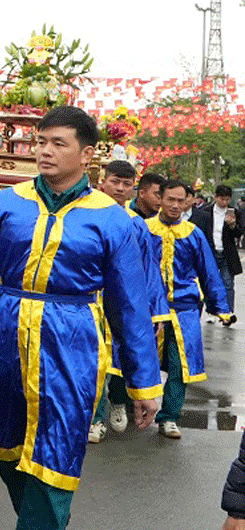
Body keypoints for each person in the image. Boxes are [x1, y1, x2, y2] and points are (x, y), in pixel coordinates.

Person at [0, 106, 161, 530]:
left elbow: (129, 305)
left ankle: (45, 519)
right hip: (3, 336)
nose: (45, 151)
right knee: (5, 447)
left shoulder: (113, 219)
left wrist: (142, 383)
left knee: (56, 451)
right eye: (41, 142)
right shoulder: (8, 203)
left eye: (59, 143)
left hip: (71, 342)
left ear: (86, 153)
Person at [88, 160, 168, 440]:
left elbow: (148, 271)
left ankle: (118, 403)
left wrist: (155, 314)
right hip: (88, 301)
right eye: (115, 182)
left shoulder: (136, 225)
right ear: (102, 182)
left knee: (121, 357)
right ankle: (94, 419)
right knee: (93, 360)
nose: (120, 189)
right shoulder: (85, 214)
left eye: (126, 184)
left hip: (119, 302)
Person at [146, 179, 232, 439]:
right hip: (148, 309)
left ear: (188, 202)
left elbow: (208, 271)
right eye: (170, 199)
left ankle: (169, 416)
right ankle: (120, 405)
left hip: (184, 309)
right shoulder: (144, 230)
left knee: (179, 365)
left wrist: (220, 306)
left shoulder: (193, 233)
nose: (175, 205)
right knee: (130, 359)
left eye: (180, 201)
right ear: (160, 199)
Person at [193, 184, 242, 327]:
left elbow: (240, 233)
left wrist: (232, 226)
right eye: (222, 199)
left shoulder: (234, 212)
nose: (224, 203)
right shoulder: (206, 211)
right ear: (216, 197)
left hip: (227, 253)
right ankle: (211, 312)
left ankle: (227, 313)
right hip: (210, 251)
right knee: (209, 283)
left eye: (227, 199)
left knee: (228, 283)